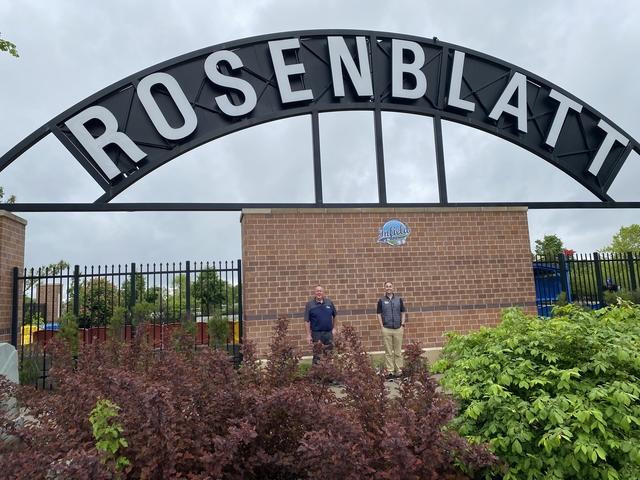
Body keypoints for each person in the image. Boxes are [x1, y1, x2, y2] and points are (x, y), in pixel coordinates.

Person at [377, 281, 407, 378]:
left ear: (393, 288)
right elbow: (378, 314)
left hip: (398, 329)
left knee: (398, 351)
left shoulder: (399, 300)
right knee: (388, 352)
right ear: (384, 288)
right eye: (387, 286)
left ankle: (399, 371)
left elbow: (403, 312)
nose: (388, 288)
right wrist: (381, 326)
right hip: (386, 329)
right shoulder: (381, 301)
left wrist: (402, 324)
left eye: (390, 286)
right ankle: (390, 371)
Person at [304, 285, 337, 365]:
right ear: (314, 293)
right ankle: (316, 375)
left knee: (329, 355)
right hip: (316, 334)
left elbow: (335, 315)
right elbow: (306, 320)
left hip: (328, 333)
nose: (319, 292)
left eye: (320, 291)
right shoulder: (310, 304)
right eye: (317, 291)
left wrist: (334, 328)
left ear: (323, 292)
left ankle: (330, 375)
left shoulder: (329, 302)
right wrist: (308, 335)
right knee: (317, 355)